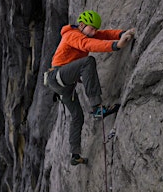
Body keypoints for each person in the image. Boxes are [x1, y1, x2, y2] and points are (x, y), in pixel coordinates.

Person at [45, 10, 135, 165]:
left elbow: (104, 35)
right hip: (58, 76)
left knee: (77, 116)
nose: (94, 32)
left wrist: (121, 34)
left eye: (94, 29)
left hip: (63, 85)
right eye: (91, 28)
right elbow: (88, 44)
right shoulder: (72, 35)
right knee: (88, 62)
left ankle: (75, 155)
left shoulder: (87, 33)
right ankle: (97, 108)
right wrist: (116, 46)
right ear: (81, 25)